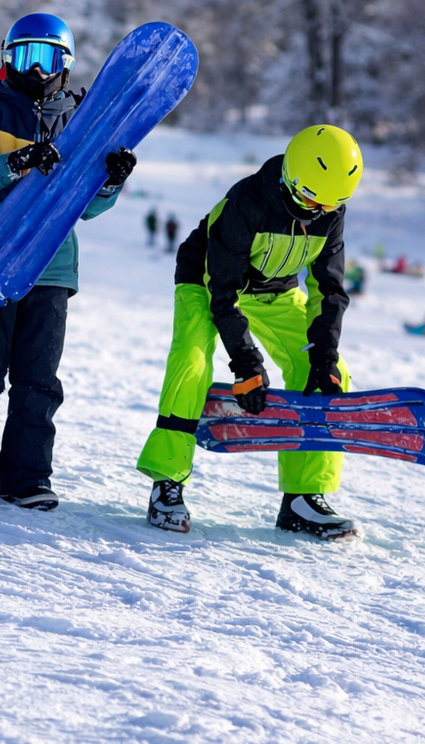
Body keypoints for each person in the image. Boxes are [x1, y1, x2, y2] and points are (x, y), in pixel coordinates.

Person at [136, 125, 362, 540]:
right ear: (291, 178)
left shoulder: (329, 213)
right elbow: (222, 291)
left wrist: (324, 357)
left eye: (331, 203)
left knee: (330, 373)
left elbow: (328, 289)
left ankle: (302, 500)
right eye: (311, 198)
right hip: (208, 281)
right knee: (192, 362)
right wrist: (246, 364)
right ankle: (167, 483)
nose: (318, 210)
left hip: (275, 289)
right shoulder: (249, 201)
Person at [0, 13, 132, 510]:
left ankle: (27, 478)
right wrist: (17, 162)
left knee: (39, 380)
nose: (33, 68)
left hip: (51, 268)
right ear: (6, 57)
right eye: (22, 55)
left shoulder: (79, 120)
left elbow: (88, 208)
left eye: (46, 58)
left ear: (65, 64)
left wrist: (109, 179)